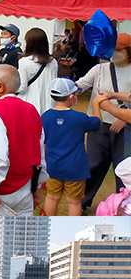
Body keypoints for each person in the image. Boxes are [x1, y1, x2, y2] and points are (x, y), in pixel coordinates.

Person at [0, 65, 46, 215]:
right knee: (20, 236)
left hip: (2, 189)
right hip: (25, 188)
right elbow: (40, 154)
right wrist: (37, 187)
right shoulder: (32, 110)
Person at [76, 35, 131, 210]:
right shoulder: (100, 69)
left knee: (122, 168)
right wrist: (69, 89)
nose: (114, 52)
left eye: (119, 49)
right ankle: (83, 203)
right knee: (93, 164)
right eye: (112, 48)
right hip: (98, 125)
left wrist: (123, 120)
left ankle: (122, 205)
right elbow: (81, 84)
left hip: (124, 127)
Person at [41, 78, 102, 215]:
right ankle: (73, 231)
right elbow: (98, 122)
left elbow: (43, 143)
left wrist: (43, 163)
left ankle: (48, 228)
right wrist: (96, 103)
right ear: (70, 97)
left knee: (52, 197)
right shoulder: (79, 118)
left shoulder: (45, 117)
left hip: (53, 166)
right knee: (74, 201)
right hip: (75, 168)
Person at [17, 28, 59, 115]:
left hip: (29, 101)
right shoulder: (53, 61)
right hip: (49, 102)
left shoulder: (24, 61)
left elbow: (22, 87)